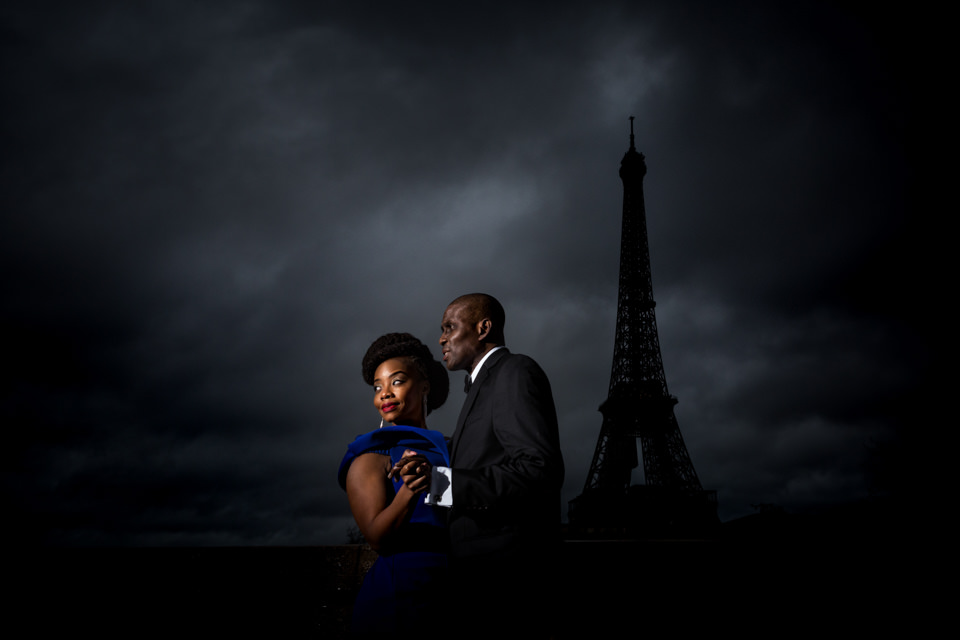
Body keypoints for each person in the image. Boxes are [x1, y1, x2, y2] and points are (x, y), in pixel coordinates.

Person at [393, 293, 564, 636]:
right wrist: (425, 458)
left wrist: (441, 483)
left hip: (504, 585)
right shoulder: (483, 386)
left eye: (449, 327)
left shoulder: (514, 371)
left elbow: (539, 470)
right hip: (478, 582)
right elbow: (482, 453)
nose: (441, 338)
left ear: (483, 328)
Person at [337, 332, 451, 635]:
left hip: (453, 592)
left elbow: (450, 511)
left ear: (425, 386)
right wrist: (408, 492)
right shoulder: (370, 458)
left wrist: (433, 479)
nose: (385, 393)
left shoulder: (451, 451)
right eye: (378, 387)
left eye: (397, 381)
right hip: (397, 596)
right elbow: (377, 538)